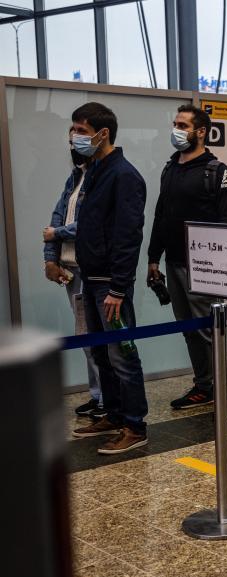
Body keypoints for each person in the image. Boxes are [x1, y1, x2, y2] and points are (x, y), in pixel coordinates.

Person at [147, 104, 227, 419]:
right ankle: (204, 387)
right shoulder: (170, 168)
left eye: (183, 125)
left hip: (205, 267)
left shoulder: (217, 172)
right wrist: (153, 258)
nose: (176, 130)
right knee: (189, 329)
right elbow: (161, 215)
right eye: (175, 124)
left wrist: (218, 266)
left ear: (201, 132)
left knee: (212, 331)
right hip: (174, 262)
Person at [68, 102, 150, 454]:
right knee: (102, 353)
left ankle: (135, 426)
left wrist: (118, 287)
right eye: (74, 130)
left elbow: (128, 235)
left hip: (111, 285)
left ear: (103, 134)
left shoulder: (124, 175)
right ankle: (114, 415)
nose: (75, 137)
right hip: (91, 278)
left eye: (82, 131)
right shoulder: (95, 171)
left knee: (122, 356)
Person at [43, 142, 105, 419]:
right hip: (72, 270)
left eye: (80, 135)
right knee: (86, 336)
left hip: (94, 271)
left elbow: (92, 224)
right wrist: (51, 260)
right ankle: (98, 395)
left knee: (103, 339)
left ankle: (109, 399)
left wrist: (57, 234)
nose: (74, 144)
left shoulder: (104, 177)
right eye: (70, 139)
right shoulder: (75, 176)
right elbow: (55, 219)